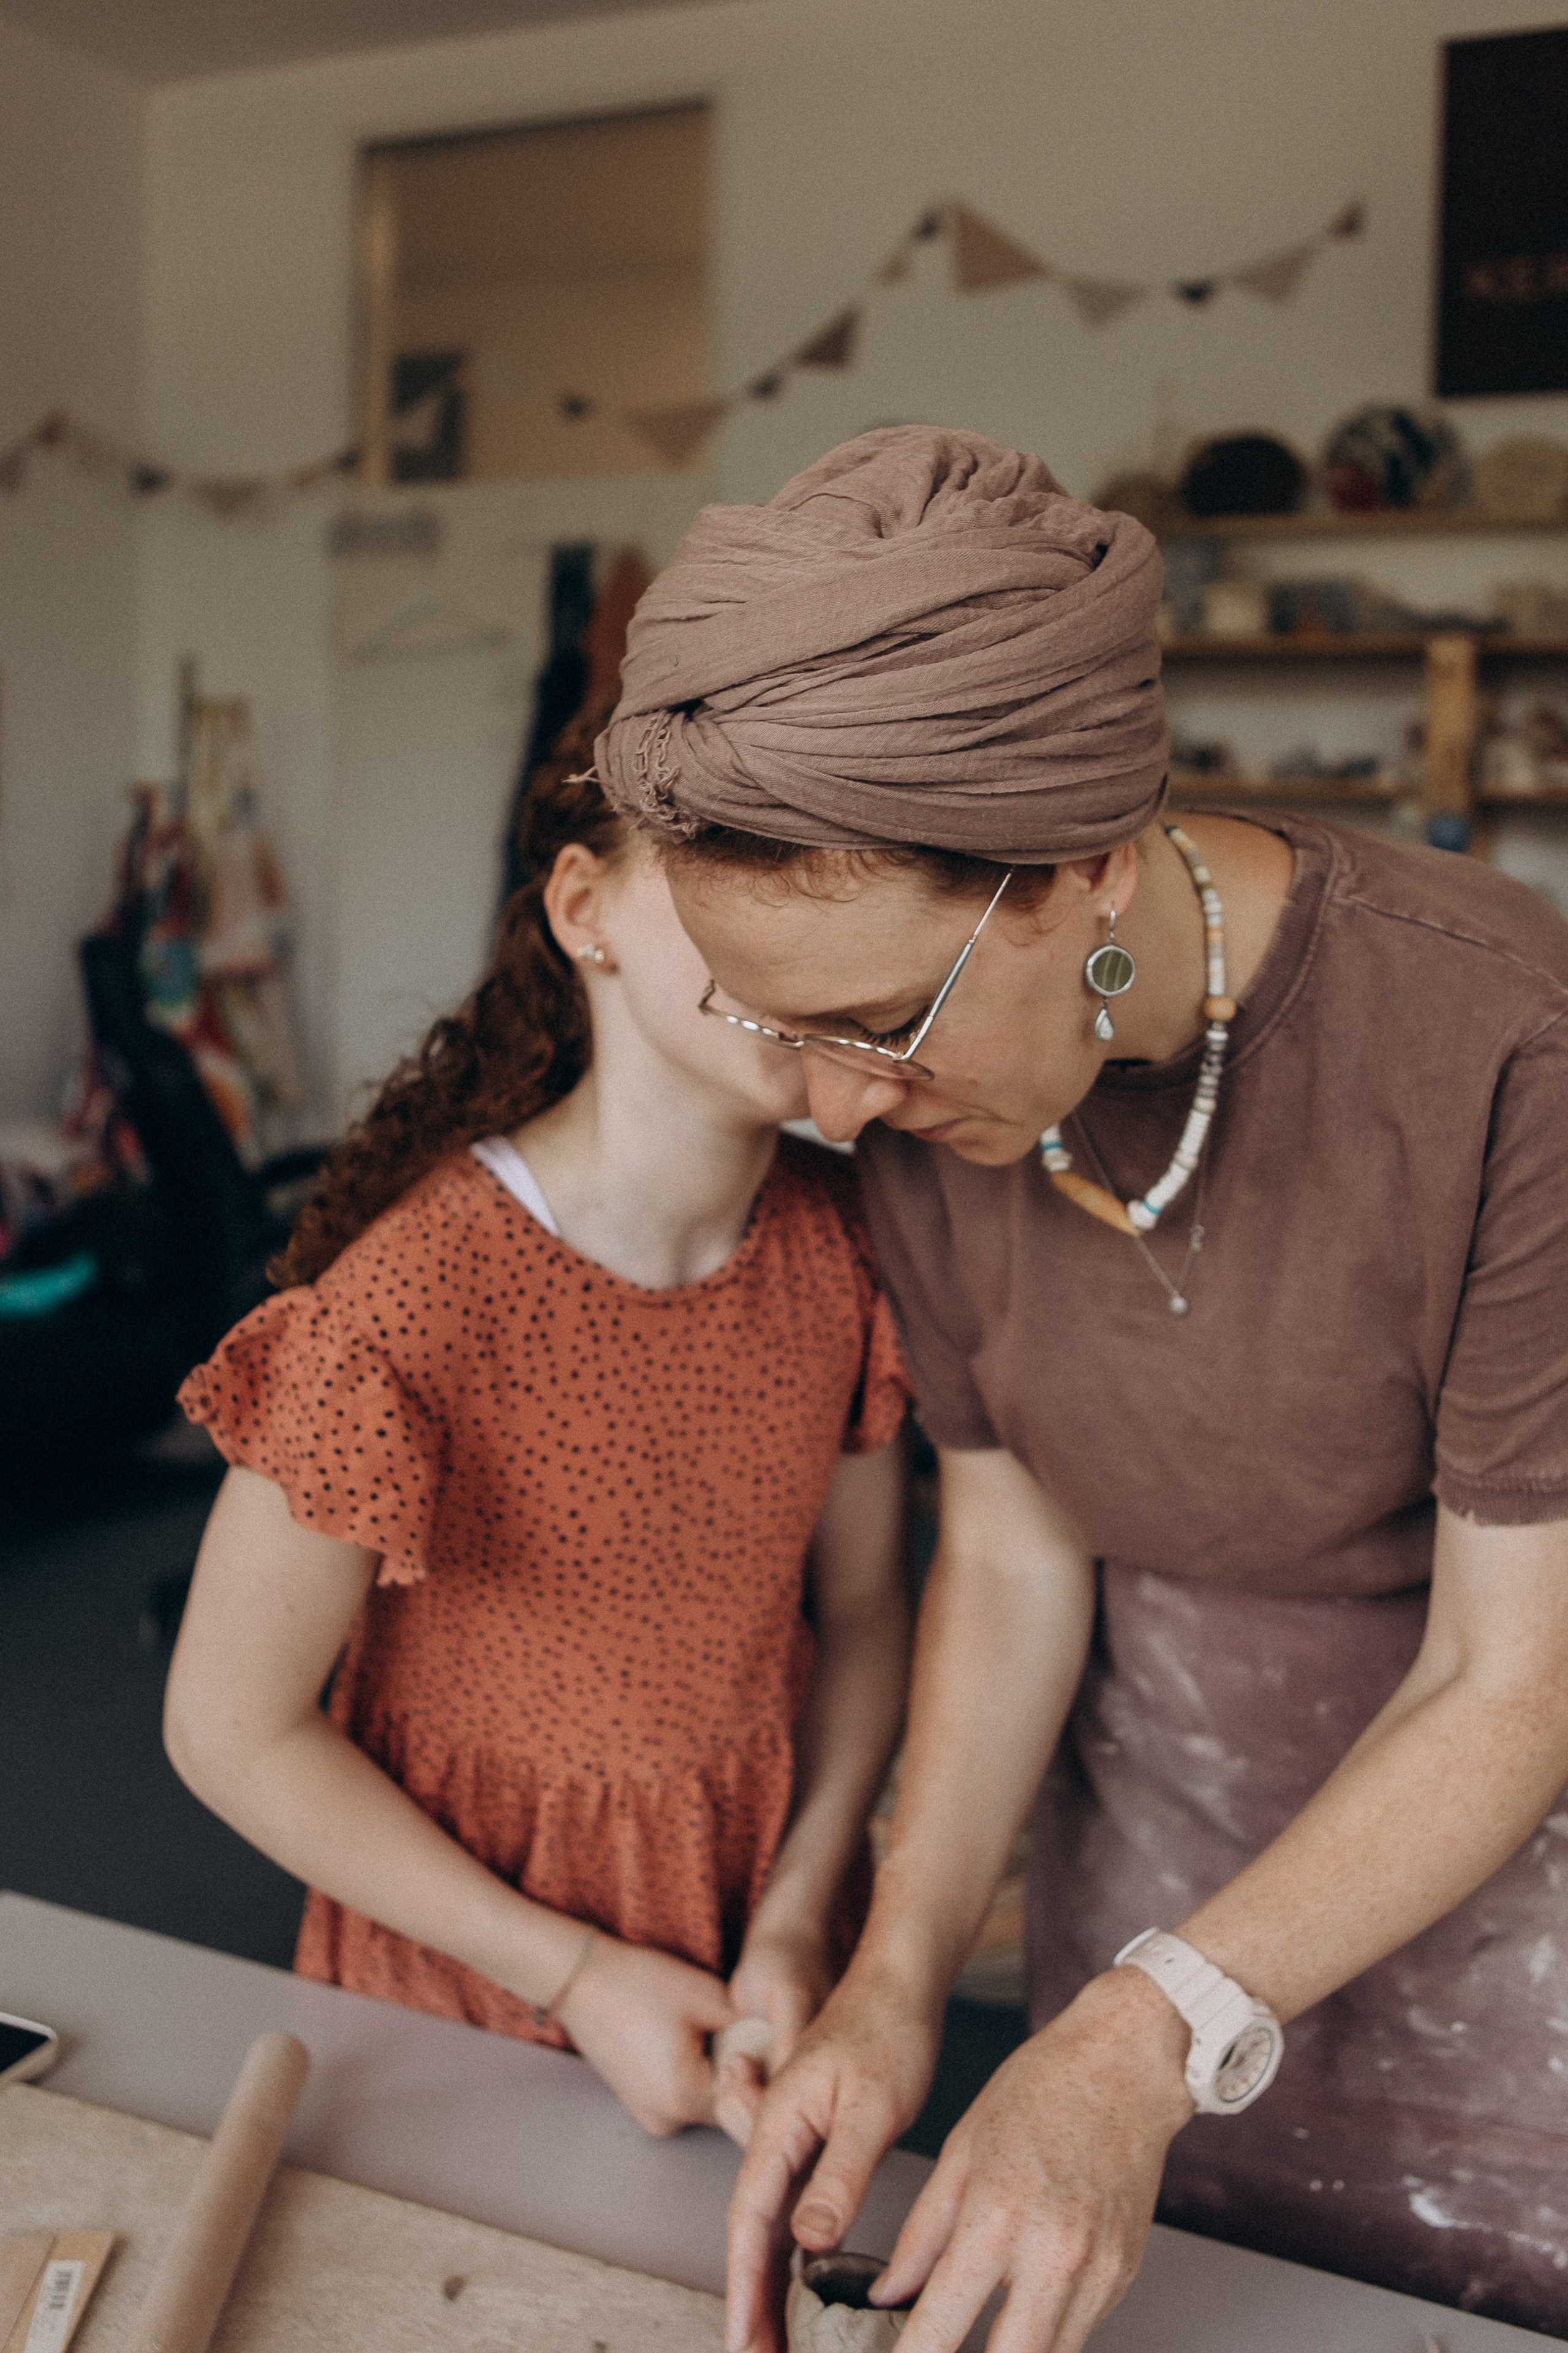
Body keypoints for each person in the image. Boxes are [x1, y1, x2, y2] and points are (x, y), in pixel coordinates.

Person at [585, 426, 1568, 2346]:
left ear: (1089, 869)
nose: (834, 1109)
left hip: (1491, 1897)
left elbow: (1510, 1675)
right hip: (1149, 1854)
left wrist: (1153, 2029)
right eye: (781, 1031)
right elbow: (1015, 1561)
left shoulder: (1504, 1044)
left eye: (879, 1024)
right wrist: (899, 1966)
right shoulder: (918, 1112)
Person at [164, 762, 910, 2140]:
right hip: (459, 1983)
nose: (798, 947)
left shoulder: (849, 1246)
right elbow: (227, 1727)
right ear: (585, 909)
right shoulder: (411, 1300)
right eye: (741, 880)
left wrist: (799, 1912)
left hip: (761, 1951)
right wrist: (573, 1974)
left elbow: (863, 1613)